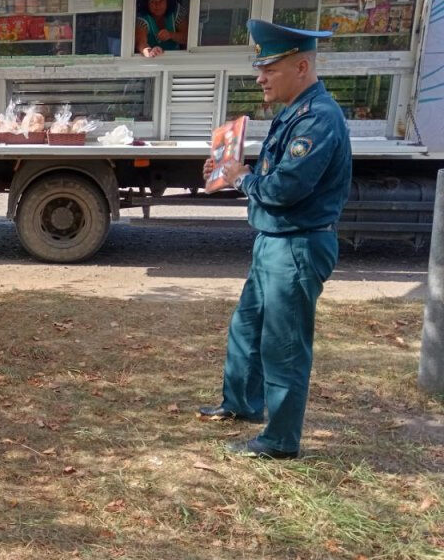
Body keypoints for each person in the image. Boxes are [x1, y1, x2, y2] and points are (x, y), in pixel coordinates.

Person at [198, 20, 350, 460]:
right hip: (275, 240)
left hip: (298, 245)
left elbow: (284, 188)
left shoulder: (318, 118)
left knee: (283, 344)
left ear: (302, 66)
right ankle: (243, 403)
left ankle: (280, 439)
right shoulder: (294, 113)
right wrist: (229, 172)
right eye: (259, 67)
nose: (260, 77)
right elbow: (268, 176)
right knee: (247, 327)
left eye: (270, 68)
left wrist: (241, 178)